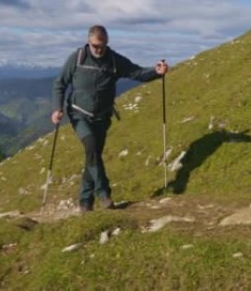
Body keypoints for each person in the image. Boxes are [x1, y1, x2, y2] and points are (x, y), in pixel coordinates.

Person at [52, 25, 168, 212]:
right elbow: (60, 83)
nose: (99, 49)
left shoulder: (114, 60)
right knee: (91, 147)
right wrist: (57, 108)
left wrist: (156, 71)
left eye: (103, 45)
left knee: (93, 155)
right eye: (96, 45)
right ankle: (104, 193)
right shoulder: (77, 58)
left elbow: (136, 72)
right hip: (78, 113)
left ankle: (85, 202)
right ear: (89, 42)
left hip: (102, 117)